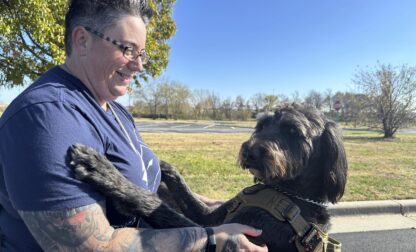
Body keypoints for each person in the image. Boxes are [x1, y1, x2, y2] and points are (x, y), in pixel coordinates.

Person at [0, 0, 268, 251]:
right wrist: (210, 239)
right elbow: (94, 246)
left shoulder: (115, 110)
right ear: (82, 41)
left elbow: (146, 186)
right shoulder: (49, 117)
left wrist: (214, 208)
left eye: (141, 53)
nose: (138, 65)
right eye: (127, 49)